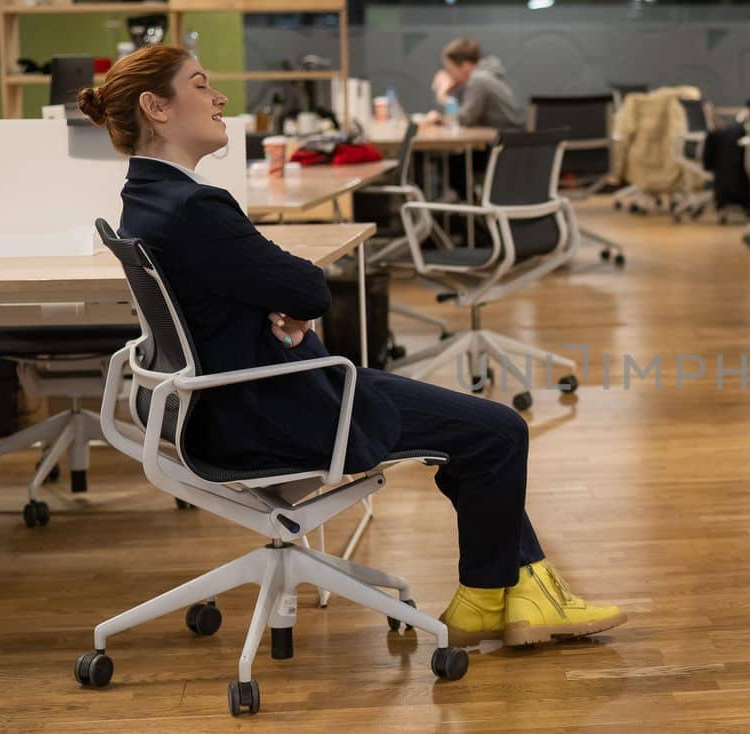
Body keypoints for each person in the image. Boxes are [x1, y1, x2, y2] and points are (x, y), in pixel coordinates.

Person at [77, 45, 624, 649]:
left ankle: (519, 595)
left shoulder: (146, 198)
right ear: (157, 107)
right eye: (201, 85)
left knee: (472, 431)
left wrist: (270, 300)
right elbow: (309, 286)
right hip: (269, 408)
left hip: (213, 405)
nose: (219, 98)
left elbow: (248, 286)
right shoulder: (197, 206)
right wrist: (283, 300)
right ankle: (490, 598)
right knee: (498, 430)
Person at [424, 37, 524, 130]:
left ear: (466, 66)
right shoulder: (485, 76)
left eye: (451, 70)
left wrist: (446, 99)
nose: (450, 75)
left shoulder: (479, 80)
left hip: (506, 143)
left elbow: (464, 119)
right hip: (508, 138)